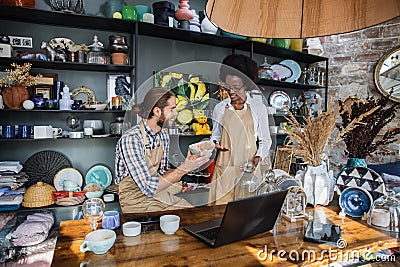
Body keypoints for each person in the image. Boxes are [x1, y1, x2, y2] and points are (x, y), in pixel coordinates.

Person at [115, 87, 211, 213]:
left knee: (192, 214)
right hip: (136, 202)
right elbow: (149, 187)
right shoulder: (131, 140)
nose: (176, 113)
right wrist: (184, 168)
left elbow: (162, 172)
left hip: (157, 196)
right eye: (172, 109)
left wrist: (187, 164)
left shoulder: (163, 135)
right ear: (157, 111)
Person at [208, 54, 272, 205]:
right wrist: (214, 144)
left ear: (246, 85)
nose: (231, 91)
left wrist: (257, 159)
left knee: (247, 212)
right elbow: (215, 136)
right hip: (225, 169)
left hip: (248, 169)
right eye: (228, 87)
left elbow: (265, 140)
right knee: (220, 213)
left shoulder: (258, 108)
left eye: (236, 88)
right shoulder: (220, 108)